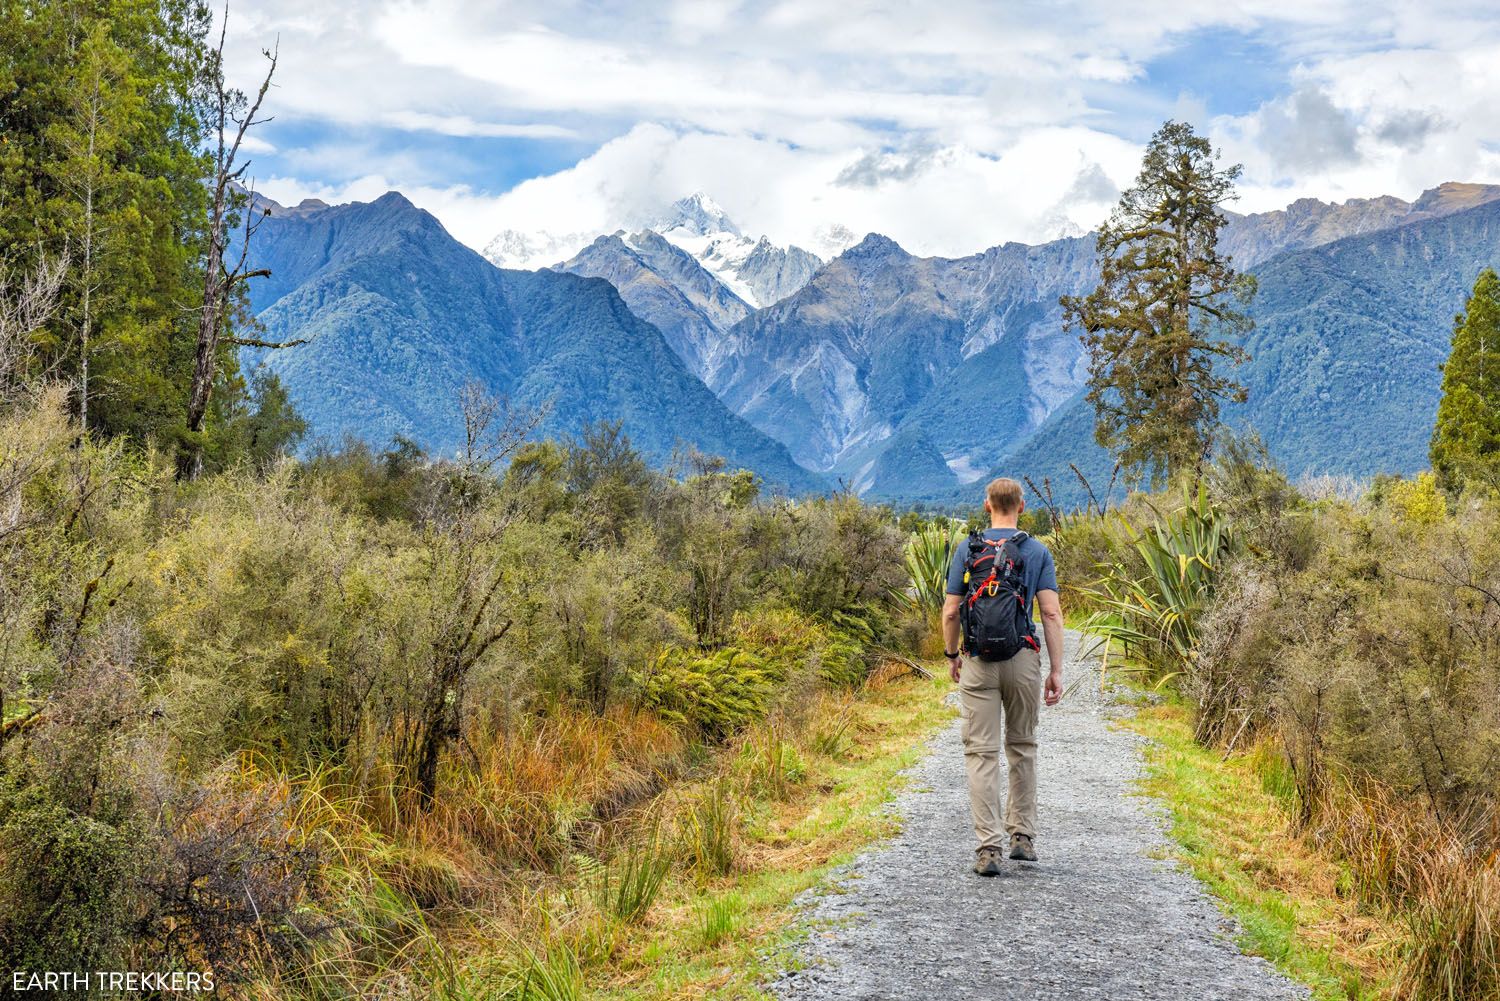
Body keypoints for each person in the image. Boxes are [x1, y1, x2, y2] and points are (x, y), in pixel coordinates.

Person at [940, 476, 1065, 877]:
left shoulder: (968, 548)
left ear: (987, 505)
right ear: (1022, 507)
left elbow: (949, 611)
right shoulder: (1037, 550)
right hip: (1023, 657)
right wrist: (1057, 670)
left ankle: (988, 848)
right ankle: (1023, 838)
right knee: (1023, 745)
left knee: (981, 753)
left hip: (978, 659)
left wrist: (951, 655)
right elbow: (1050, 613)